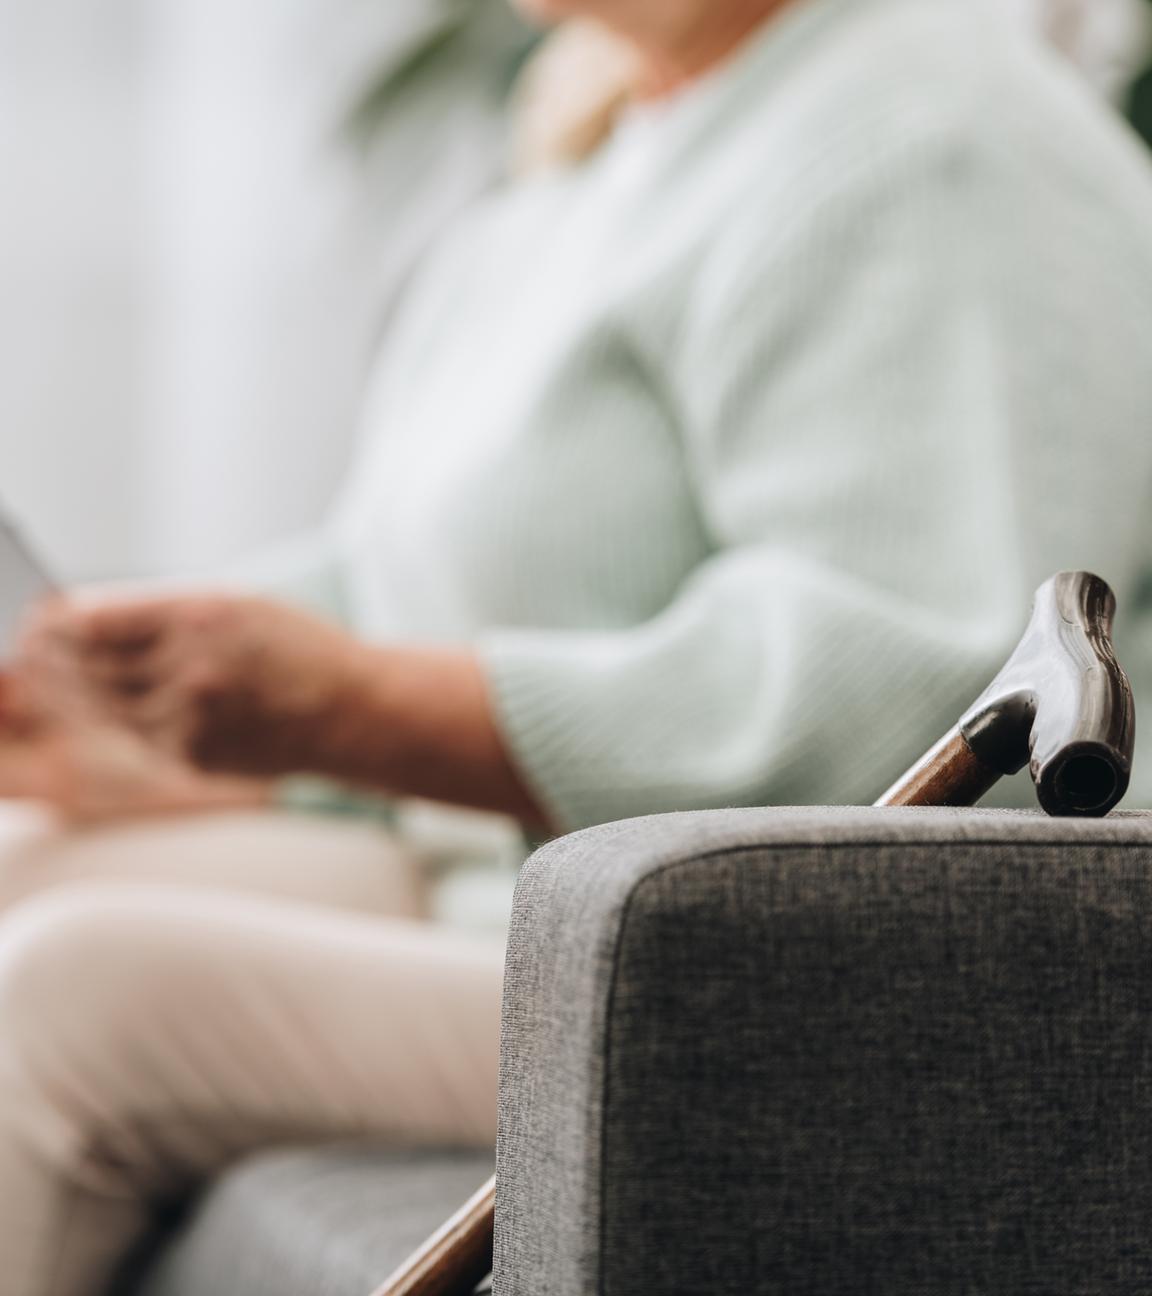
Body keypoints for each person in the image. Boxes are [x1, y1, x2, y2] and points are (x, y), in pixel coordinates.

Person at [3, 0, 1152, 1290]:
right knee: (16, 864)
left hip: (761, 968)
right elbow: (403, 582)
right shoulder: (605, 156)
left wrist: (350, 707)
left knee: (68, 993)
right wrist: (141, 713)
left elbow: (903, 695)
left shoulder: (940, 142)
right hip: (510, 891)